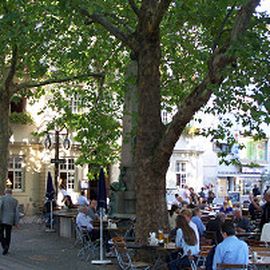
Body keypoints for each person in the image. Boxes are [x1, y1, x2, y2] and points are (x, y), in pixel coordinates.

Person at [0, 188, 20, 255]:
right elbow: (17, 213)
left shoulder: (1, 198)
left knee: (1, 233)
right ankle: (7, 247)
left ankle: (4, 245)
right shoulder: (15, 201)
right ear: (11, 193)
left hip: (1, 219)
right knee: (8, 234)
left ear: (5, 192)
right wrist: (16, 223)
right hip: (10, 220)